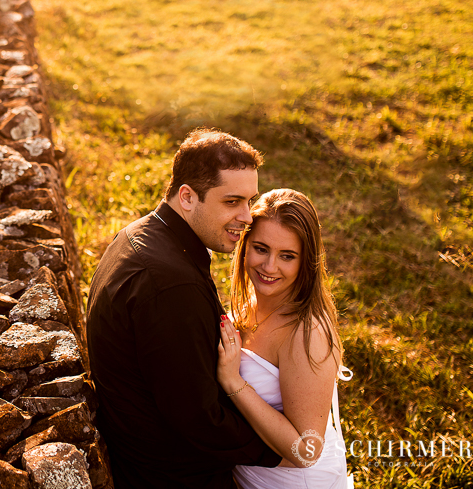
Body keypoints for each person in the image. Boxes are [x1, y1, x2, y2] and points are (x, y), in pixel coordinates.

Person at [86, 128, 282, 489]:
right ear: (188, 197)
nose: (248, 216)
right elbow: (198, 418)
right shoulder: (170, 285)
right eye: (232, 202)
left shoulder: (140, 233)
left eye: (250, 200)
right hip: (174, 476)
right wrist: (280, 451)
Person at [216, 189, 351, 488]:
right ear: (245, 245)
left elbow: (307, 451)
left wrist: (233, 383)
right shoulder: (250, 301)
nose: (269, 267)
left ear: (307, 262)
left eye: (287, 256)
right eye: (261, 248)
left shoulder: (306, 332)